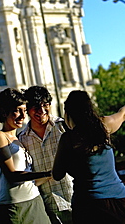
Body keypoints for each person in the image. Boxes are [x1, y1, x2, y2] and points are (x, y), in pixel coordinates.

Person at [52, 90, 125, 224]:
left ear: (68, 114)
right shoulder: (104, 125)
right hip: (119, 201)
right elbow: (122, 114)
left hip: (88, 205)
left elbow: (57, 174)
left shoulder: (69, 139)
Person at [0, 88, 51, 224]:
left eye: (24, 110)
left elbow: (31, 181)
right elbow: (12, 176)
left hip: (35, 202)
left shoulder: (20, 140)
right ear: (4, 112)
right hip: (13, 209)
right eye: (17, 110)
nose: (23, 116)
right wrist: (47, 173)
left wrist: (52, 174)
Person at [19, 86, 73, 224]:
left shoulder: (63, 127)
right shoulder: (22, 139)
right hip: (45, 209)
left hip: (73, 200)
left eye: (45, 105)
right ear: (28, 109)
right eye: (36, 107)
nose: (42, 111)